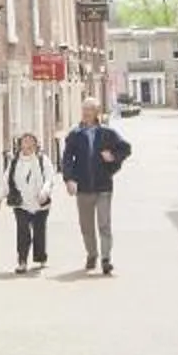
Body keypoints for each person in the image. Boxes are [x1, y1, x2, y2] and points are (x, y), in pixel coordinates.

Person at [58, 99, 132, 276]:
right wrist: (69, 180)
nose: (86, 112)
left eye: (90, 109)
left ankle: (106, 259)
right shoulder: (75, 134)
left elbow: (126, 149)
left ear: (97, 112)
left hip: (103, 186)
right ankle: (92, 254)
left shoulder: (107, 133)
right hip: (83, 187)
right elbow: (67, 159)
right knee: (86, 225)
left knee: (104, 224)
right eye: (84, 109)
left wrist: (113, 156)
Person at [0, 130, 57, 274]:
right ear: (20, 145)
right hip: (21, 203)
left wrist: (45, 191)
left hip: (40, 203)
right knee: (23, 232)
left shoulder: (43, 160)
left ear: (36, 144)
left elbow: (50, 178)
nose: (28, 144)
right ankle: (22, 261)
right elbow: (7, 180)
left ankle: (41, 256)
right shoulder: (15, 162)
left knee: (39, 232)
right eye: (25, 141)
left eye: (31, 141)